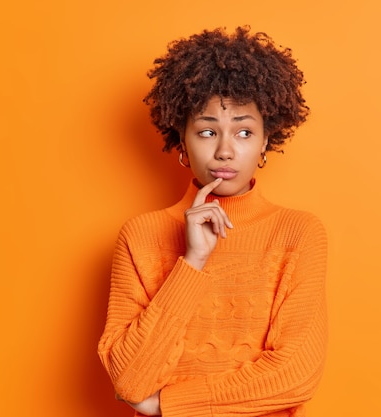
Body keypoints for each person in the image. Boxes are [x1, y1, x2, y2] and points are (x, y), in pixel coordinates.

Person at [98, 26, 327, 417]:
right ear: (182, 139)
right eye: (207, 131)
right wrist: (192, 262)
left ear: (265, 141)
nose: (224, 150)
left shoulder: (298, 233)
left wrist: (169, 405)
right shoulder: (141, 235)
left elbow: (296, 374)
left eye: (243, 131)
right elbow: (130, 383)